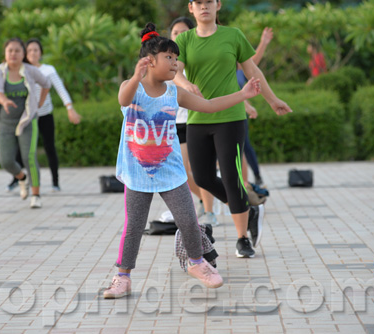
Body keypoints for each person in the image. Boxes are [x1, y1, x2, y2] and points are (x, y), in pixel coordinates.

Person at [103, 22, 261, 299]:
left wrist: (243, 94)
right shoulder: (134, 89)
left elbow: (209, 106)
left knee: (188, 220)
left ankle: (197, 263)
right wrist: (134, 76)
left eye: (177, 59)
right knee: (134, 227)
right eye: (169, 58)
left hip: (171, 172)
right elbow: (123, 98)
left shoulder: (174, 92)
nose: (176, 63)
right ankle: (123, 276)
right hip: (138, 173)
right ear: (149, 61)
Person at [174, 0, 292, 258]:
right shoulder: (184, 40)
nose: (204, 6)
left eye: (209, 2)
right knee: (202, 177)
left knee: (231, 176)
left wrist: (273, 100)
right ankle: (248, 209)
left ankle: (242, 239)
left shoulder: (233, 35)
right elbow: (175, 71)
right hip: (197, 118)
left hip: (231, 118)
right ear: (191, 7)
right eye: (198, 3)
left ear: (218, 6)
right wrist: (184, 84)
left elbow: (253, 70)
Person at [5, 38, 82, 192]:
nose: (33, 53)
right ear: (25, 53)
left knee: (49, 147)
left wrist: (70, 108)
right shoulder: (21, 69)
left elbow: (60, 89)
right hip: (26, 116)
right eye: (30, 50)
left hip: (45, 115)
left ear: (40, 53)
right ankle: (17, 179)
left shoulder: (48, 70)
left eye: (36, 50)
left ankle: (55, 182)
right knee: (21, 149)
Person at [0, 38, 51, 209]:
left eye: (17, 51)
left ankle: (35, 195)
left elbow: (46, 84)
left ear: (23, 54)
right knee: (5, 161)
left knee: (29, 157)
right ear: (5, 53)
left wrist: (40, 103)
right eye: (10, 50)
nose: (13, 54)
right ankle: (22, 178)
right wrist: (4, 101)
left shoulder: (30, 70)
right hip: (5, 123)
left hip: (28, 120)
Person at [167, 16, 217, 226]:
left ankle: (209, 211)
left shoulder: (193, 62)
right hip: (173, 123)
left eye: (182, 32)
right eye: (175, 33)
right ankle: (204, 200)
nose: (179, 36)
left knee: (197, 171)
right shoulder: (165, 62)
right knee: (182, 174)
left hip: (193, 120)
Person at [237, 27, 274, 188]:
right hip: (218, 113)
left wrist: (263, 43)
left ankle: (253, 180)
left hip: (238, 113)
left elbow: (252, 65)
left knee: (244, 145)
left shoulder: (237, 67)